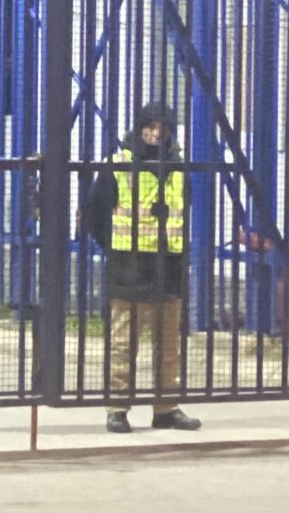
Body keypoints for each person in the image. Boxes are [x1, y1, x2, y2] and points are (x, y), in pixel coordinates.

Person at [84, 100, 202, 434]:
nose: (156, 133)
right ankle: (117, 408)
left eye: (163, 128)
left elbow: (184, 212)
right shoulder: (118, 164)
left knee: (169, 344)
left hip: (168, 267)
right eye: (150, 127)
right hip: (129, 267)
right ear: (139, 128)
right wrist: (115, 248)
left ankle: (166, 408)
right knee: (124, 343)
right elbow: (94, 214)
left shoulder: (177, 167)